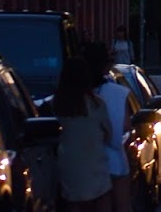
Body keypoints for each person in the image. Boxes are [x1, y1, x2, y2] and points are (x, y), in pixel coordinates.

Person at [53, 54, 114, 212]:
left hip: (68, 165)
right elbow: (109, 134)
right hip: (95, 163)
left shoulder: (55, 105)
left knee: (73, 203)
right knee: (101, 201)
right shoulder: (96, 104)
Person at [84, 41, 134, 212]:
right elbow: (126, 126)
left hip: (79, 165)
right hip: (113, 161)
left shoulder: (69, 96)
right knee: (121, 205)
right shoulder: (117, 93)